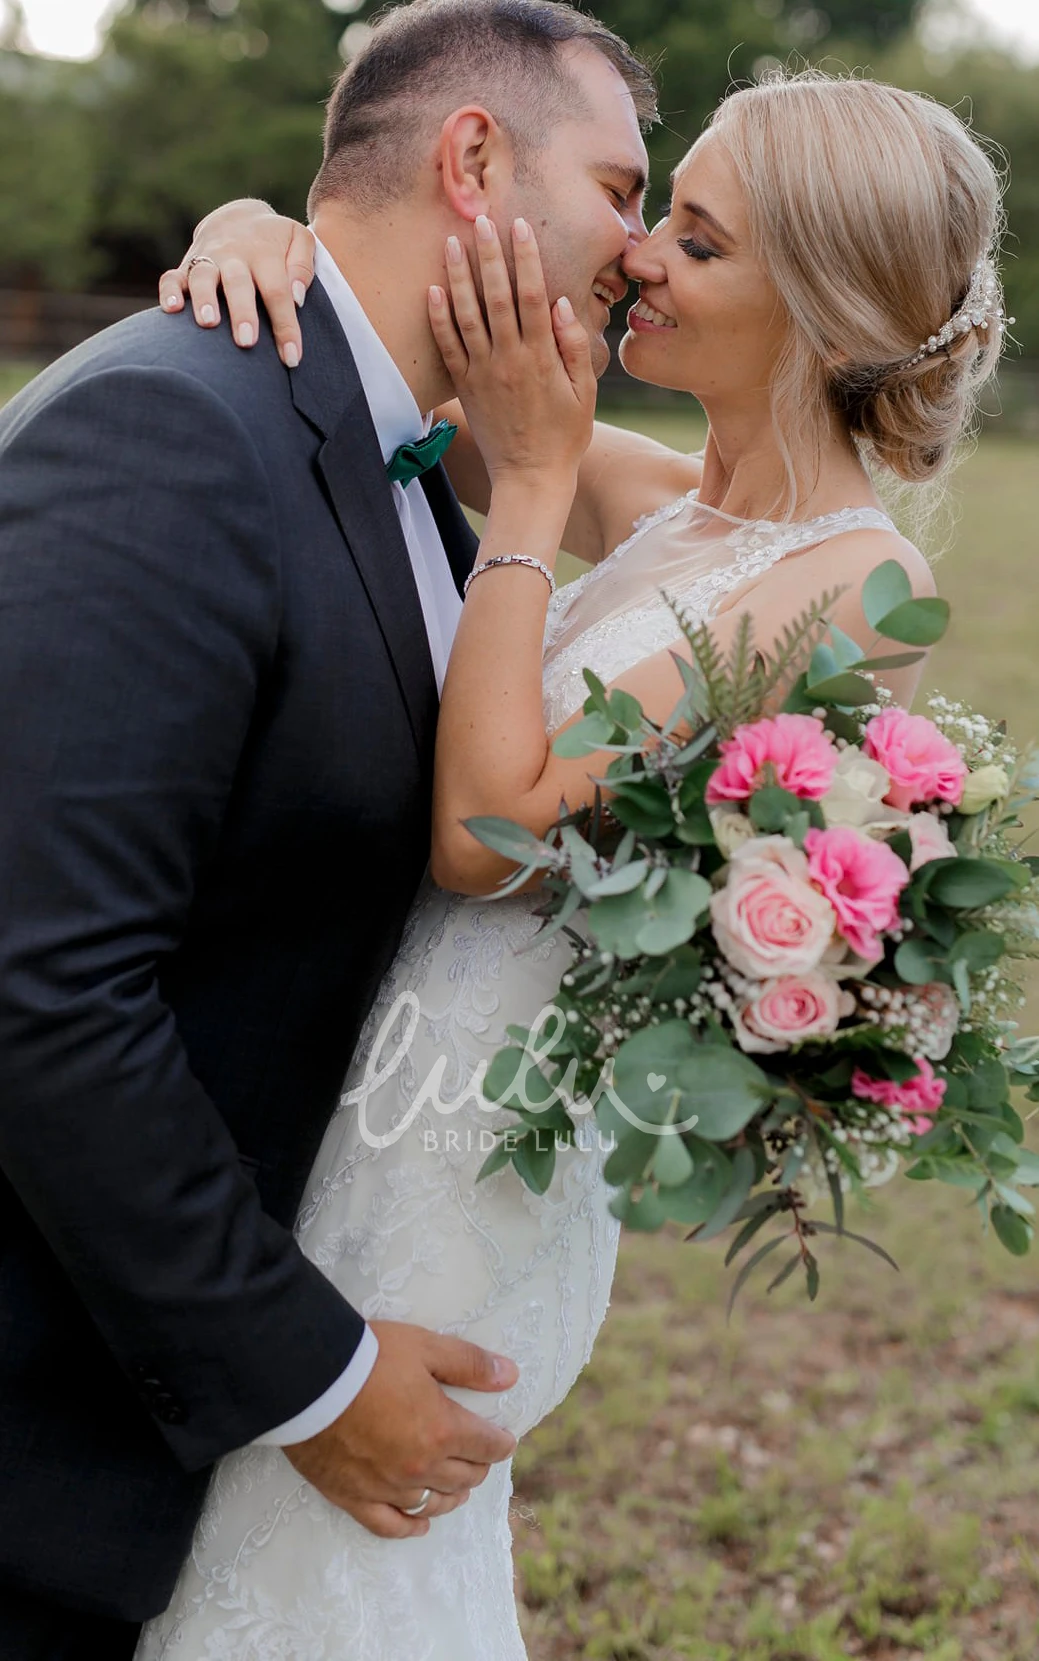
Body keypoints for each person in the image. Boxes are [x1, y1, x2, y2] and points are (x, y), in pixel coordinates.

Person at [143, 63, 1008, 1659]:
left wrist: (535, 490)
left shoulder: (863, 583)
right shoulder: (667, 506)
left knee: (326, 1561)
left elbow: (489, 833)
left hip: (471, 1145)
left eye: (701, 241)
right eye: (659, 213)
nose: (638, 257)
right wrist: (255, 228)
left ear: (823, 313)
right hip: (354, 1083)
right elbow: (372, 365)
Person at [0, 2, 660, 1656]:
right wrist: (309, 1372)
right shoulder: (173, 430)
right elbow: (36, 981)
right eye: (621, 191)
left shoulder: (407, 454)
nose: (639, 252)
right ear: (472, 159)